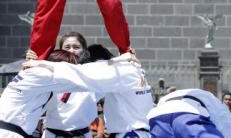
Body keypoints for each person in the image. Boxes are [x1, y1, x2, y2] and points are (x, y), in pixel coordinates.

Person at [0, 50, 141, 138]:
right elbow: (84, 73)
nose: (71, 70)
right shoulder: (41, 74)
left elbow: (85, 72)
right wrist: (121, 61)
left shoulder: (39, 76)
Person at [147, 88, 231, 138]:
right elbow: (229, 131)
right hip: (187, 113)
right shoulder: (220, 108)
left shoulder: (210, 100)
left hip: (157, 115)